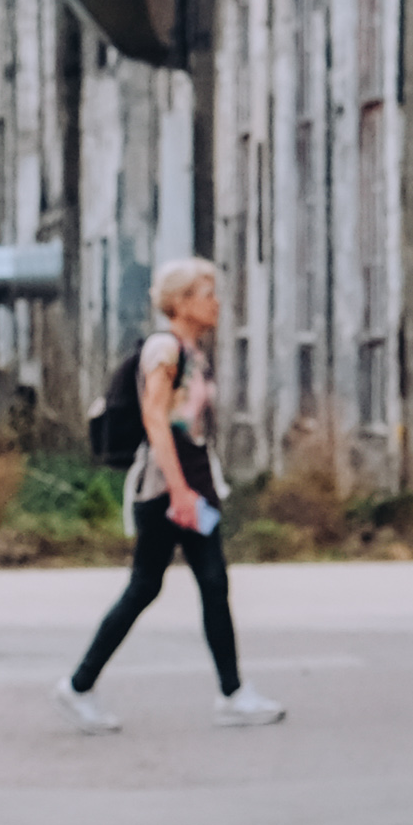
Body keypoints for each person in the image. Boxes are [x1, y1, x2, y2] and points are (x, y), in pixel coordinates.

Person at [64, 254, 281, 731]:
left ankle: (230, 693)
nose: (217, 303)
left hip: (191, 477)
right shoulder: (165, 351)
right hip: (167, 484)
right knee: (157, 585)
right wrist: (180, 492)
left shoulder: (191, 352)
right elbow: (155, 419)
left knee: (197, 583)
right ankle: (82, 685)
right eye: (207, 294)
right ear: (181, 303)